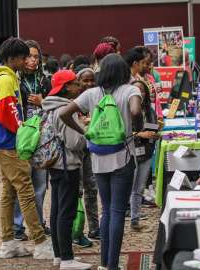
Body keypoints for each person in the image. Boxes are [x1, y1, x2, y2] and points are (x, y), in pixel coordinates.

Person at [60, 53, 142, 270]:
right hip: (122, 157)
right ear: (124, 72)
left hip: (98, 158)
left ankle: (105, 264)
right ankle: (113, 265)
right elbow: (135, 110)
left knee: (106, 210)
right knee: (116, 212)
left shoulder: (92, 93)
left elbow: (65, 114)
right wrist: (137, 124)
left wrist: (85, 131)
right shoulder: (130, 90)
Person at [0, 37, 54, 259]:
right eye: (24, 56)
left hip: (5, 143)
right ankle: (40, 242)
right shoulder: (6, 79)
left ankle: (9, 243)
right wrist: (23, 131)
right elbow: (8, 112)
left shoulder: (5, 77)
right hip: (10, 144)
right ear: (14, 58)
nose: (27, 60)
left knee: (9, 193)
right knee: (26, 192)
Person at [42, 70, 92, 269]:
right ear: (66, 87)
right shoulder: (64, 110)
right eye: (75, 83)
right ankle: (67, 259)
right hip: (67, 165)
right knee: (67, 212)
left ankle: (58, 254)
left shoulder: (49, 107)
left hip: (55, 164)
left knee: (56, 210)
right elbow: (74, 142)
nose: (80, 85)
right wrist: (86, 134)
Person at [13, 40, 52, 241]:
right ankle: (17, 226)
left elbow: (57, 106)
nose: (32, 60)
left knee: (40, 185)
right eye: (28, 56)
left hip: (43, 138)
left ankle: (38, 222)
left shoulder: (46, 81)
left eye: (36, 56)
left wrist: (42, 101)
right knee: (20, 184)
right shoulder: (15, 81)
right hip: (21, 139)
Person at [73, 64, 101, 246]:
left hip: (92, 149)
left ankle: (94, 228)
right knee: (77, 191)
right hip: (75, 151)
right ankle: (77, 231)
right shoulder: (73, 101)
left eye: (92, 80)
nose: (89, 83)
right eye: (85, 80)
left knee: (92, 188)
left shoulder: (97, 99)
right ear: (78, 82)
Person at [129, 80, 159, 231]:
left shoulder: (149, 109)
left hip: (147, 152)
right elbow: (124, 133)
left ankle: (135, 220)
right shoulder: (126, 108)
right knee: (129, 187)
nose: (139, 92)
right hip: (131, 152)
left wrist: (156, 130)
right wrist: (142, 134)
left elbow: (151, 127)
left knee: (139, 188)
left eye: (142, 90)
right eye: (136, 89)